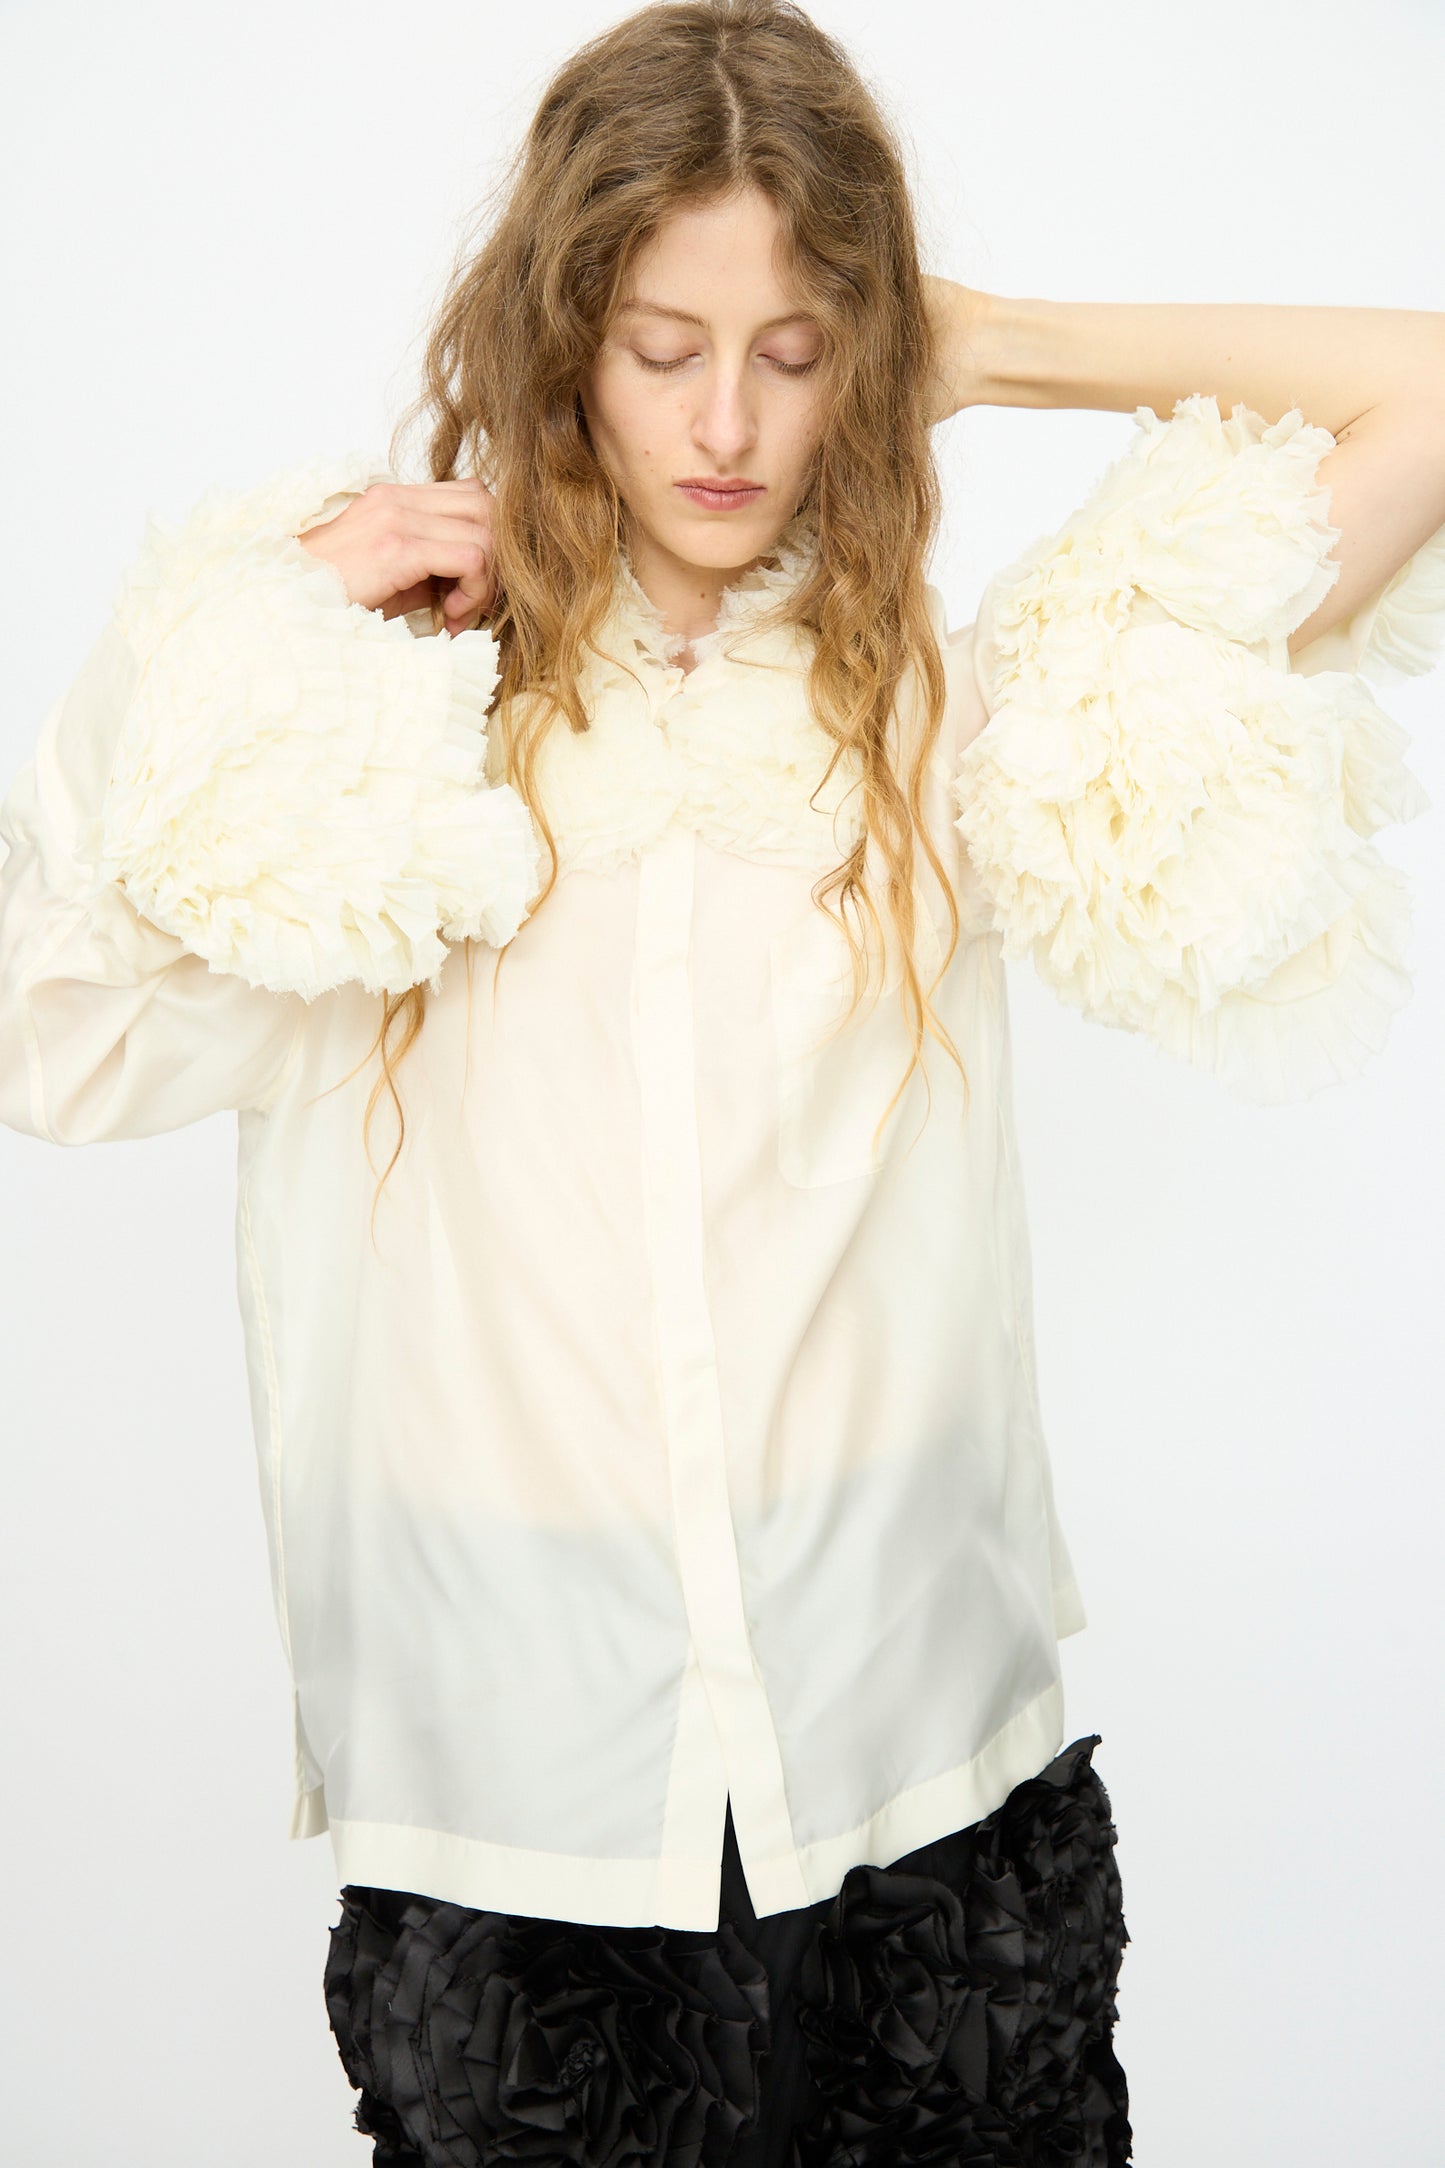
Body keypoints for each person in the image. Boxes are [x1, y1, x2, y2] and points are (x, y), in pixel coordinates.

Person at [2, 2, 1442, 2162]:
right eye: (665, 342)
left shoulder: (969, 717)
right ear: (564, 326)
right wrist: (264, 623)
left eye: (797, 346)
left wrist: (990, 336)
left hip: (933, 1814)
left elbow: (1425, 389)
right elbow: (56, 1022)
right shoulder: (376, 724)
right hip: (520, 1834)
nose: (727, 421)